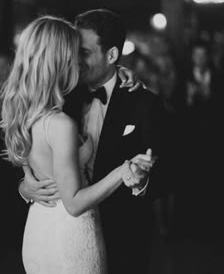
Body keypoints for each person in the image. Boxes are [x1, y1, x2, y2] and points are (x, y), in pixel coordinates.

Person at [1, 15, 155, 274]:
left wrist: (116, 73)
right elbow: (73, 203)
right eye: (75, 55)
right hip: (71, 233)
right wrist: (122, 170)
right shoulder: (61, 120)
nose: (80, 63)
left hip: (41, 229)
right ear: (60, 60)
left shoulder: (25, 108)